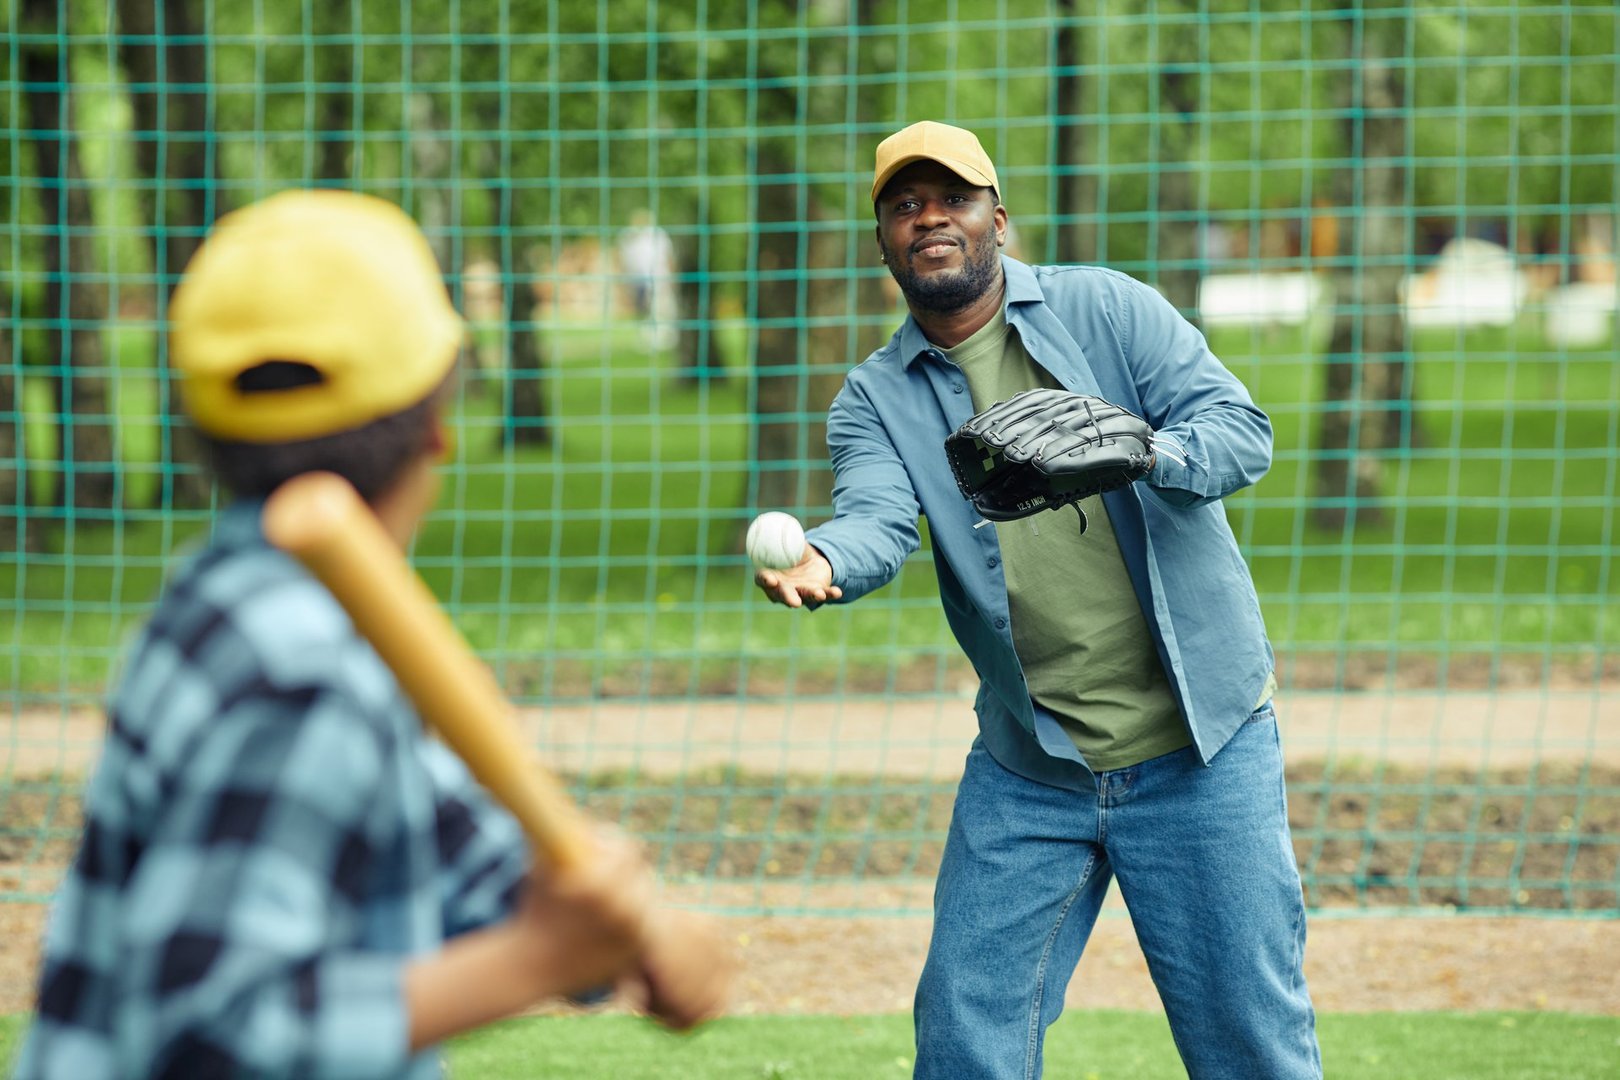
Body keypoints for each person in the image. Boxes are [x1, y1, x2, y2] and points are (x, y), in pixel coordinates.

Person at [14, 190, 728, 1079]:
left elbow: (452, 838)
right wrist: (538, 961)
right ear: (438, 422)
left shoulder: (232, 596)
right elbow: (207, 1038)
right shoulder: (299, 666)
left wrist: (628, 931)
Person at [755, 121, 1321, 1079]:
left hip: (1202, 751)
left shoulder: (1109, 310)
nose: (928, 217)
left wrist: (1146, 450)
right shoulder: (873, 397)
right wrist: (825, 558)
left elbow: (1242, 431)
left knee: (1250, 1047)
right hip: (1033, 769)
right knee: (963, 1033)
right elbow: (879, 520)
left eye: (952, 199)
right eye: (904, 205)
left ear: (998, 220)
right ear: (886, 240)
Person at [616, 208, 679, 350]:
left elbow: (668, 257)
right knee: (643, 309)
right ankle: (649, 337)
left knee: (660, 308)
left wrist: (671, 277)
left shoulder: (658, 235)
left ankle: (663, 338)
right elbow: (623, 258)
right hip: (637, 279)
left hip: (659, 277)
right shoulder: (628, 236)